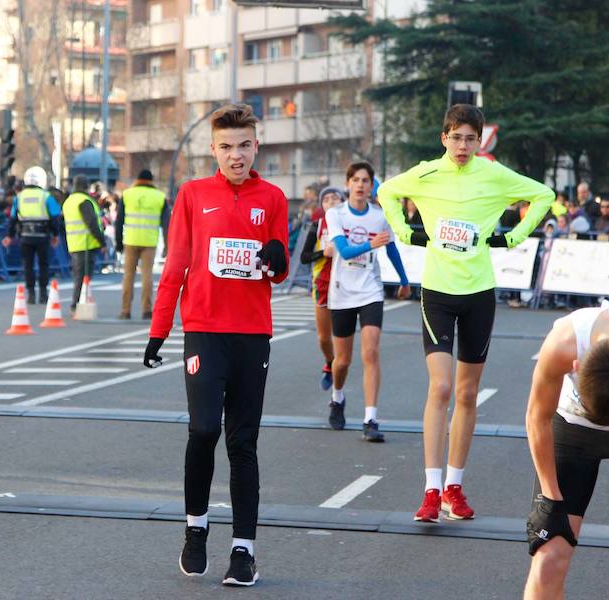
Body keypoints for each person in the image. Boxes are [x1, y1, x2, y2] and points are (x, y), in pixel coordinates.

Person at [378, 103, 554, 522]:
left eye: (470, 139)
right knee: (440, 389)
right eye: (455, 137)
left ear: (480, 141)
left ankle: (453, 487)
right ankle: (430, 488)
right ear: (444, 138)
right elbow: (387, 192)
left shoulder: (493, 175)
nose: (462, 145)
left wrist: (514, 237)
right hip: (438, 291)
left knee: (467, 393)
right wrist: (405, 232)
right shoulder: (425, 173)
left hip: (479, 293)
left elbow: (543, 195)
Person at [143, 103, 288, 587]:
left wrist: (275, 256)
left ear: (256, 145)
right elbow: (176, 265)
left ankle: (244, 550)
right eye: (226, 147)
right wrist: (158, 331)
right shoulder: (192, 194)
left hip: (252, 332)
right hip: (204, 328)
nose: (236, 155)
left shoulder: (272, 197)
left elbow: (280, 264)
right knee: (204, 429)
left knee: (242, 441)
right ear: (212, 149)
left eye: (244, 145)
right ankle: (195, 528)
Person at [523, 301, 609, 599]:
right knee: (548, 559)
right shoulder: (564, 343)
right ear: (577, 367)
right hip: (573, 432)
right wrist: (550, 498)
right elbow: (537, 418)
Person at [326, 164, 410, 439]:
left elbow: (392, 248)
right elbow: (345, 250)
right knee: (342, 361)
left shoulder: (379, 216)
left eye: (366, 181)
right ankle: (338, 397)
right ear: (348, 183)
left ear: (372, 186)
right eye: (356, 180)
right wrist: (371, 245)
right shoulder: (335, 214)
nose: (361, 185)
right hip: (341, 292)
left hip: (370, 290)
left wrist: (404, 280)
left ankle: (370, 419)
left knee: (371, 352)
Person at [299, 187, 344, 391]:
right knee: (324, 337)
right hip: (323, 283)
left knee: (341, 336)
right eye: (326, 199)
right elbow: (304, 257)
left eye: (335, 198)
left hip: (347, 284)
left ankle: (339, 379)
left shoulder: (351, 224)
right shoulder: (317, 226)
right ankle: (329, 361)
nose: (331, 201)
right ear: (322, 205)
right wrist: (322, 253)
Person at [2, 166, 62, 304]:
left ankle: (31, 293)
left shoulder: (19, 197)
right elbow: (55, 217)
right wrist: (55, 234)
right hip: (42, 235)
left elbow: (13, 218)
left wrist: (9, 236)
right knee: (43, 264)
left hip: (25, 235)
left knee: (27, 265)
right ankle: (43, 293)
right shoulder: (46, 196)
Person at [115, 169, 170, 319]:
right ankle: (147, 310)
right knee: (147, 276)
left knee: (128, 276)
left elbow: (119, 221)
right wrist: (167, 245)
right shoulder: (159, 197)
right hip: (149, 242)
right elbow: (167, 224)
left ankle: (125, 311)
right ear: (151, 180)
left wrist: (118, 242)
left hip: (130, 240)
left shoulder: (127, 195)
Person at [62, 174, 106, 313]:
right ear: (86, 186)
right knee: (84, 277)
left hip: (74, 244)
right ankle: (77, 304)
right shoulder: (84, 201)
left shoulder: (69, 201)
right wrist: (102, 242)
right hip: (87, 244)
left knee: (78, 276)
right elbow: (92, 223)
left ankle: (78, 303)